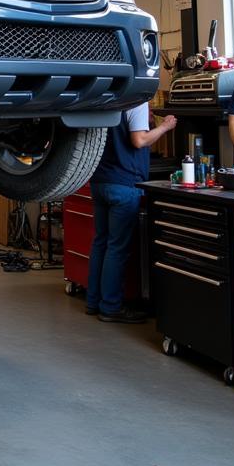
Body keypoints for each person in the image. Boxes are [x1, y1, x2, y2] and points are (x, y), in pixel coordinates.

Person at [87, 102, 177, 324]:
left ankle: (93, 301)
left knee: (101, 242)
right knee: (117, 248)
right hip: (124, 183)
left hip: (99, 180)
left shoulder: (105, 95)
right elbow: (140, 140)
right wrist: (166, 126)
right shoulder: (136, 100)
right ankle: (110, 307)